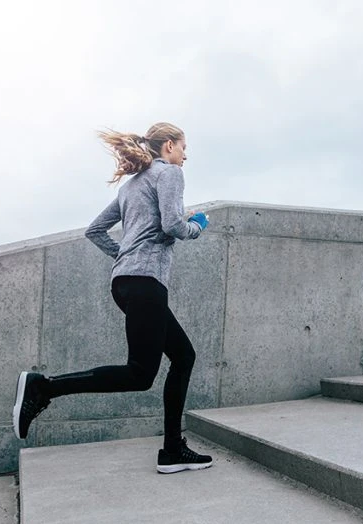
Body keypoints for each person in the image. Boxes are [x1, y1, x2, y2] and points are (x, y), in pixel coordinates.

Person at [12, 122, 213, 474]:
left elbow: (94, 230)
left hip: (126, 282)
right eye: (183, 147)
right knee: (139, 374)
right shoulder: (169, 174)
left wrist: (125, 254)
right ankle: (45, 387)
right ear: (168, 146)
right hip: (145, 282)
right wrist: (197, 225)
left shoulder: (132, 184)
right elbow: (172, 226)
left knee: (183, 356)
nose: (186, 154)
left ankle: (172, 450)